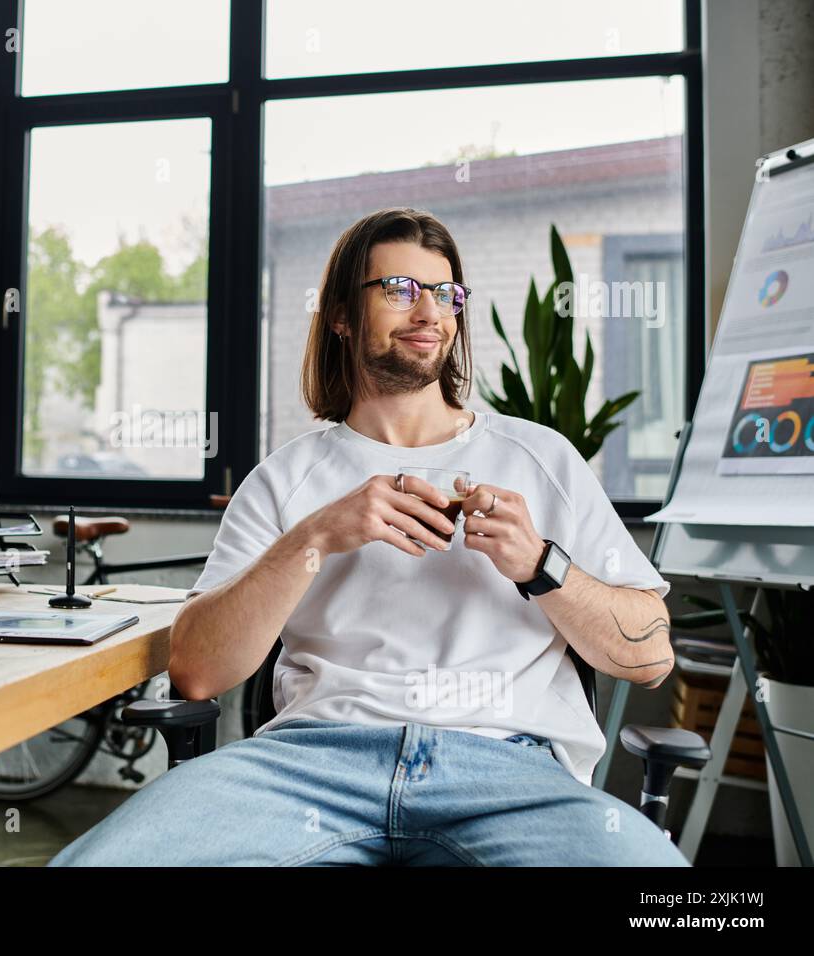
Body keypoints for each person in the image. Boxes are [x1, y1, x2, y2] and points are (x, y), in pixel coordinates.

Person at [49, 207, 688, 866]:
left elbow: (649, 656)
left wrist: (540, 564)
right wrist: (317, 537)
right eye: (399, 289)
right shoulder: (285, 480)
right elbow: (198, 671)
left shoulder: (541, 459)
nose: (429, 312)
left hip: (506, 773)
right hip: (306, 766)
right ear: (341, 316)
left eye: (445, 294)